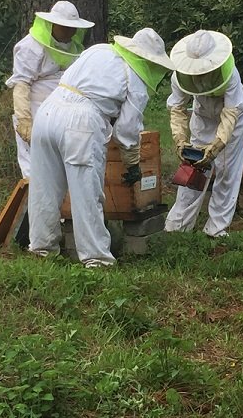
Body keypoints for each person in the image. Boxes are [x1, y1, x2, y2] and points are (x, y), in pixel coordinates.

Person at [27, 27, 175, 267]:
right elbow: (127, 130)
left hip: (46, 113)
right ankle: (96, 259)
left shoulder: (98, 50)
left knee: (44, 188)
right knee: (87, 193)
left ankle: (41, 249)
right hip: (81, 122)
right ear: (150, 61)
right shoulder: (134, 77)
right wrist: (132, 162)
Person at [164, 30, 243, 238]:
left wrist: (216, 146)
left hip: (233, 114)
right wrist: (179, 140)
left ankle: (216, 228)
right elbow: (177, 108)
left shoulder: (230, 72)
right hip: (202, 115)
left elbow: (229, 114)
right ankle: (178, 226)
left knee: (226, 168)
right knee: (193, 166)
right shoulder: (180, 75)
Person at [6, 0, 93, 179]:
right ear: (53, 24)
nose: (70, 32)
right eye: (65, 27)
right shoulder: (30, 46)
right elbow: (21, 85)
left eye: (72, 27)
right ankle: (32, 205)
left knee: (59, 166)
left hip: (63, 113)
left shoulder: (74, 47)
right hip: (35, 110)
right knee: (34, 167)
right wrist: (24, 120)